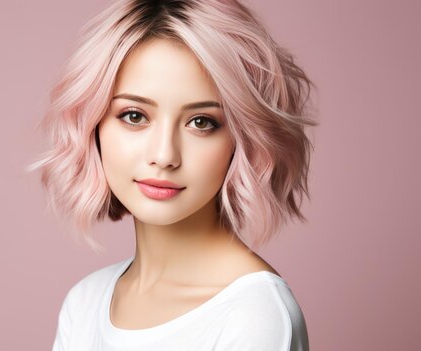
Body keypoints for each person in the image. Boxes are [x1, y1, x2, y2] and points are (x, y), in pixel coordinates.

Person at [29, 0, 317, 349]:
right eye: (134, 116)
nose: (164, 155)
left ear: (241, 140)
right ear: (94, 126)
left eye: (201, 122)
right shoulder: (85, 302)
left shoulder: (254, 316)